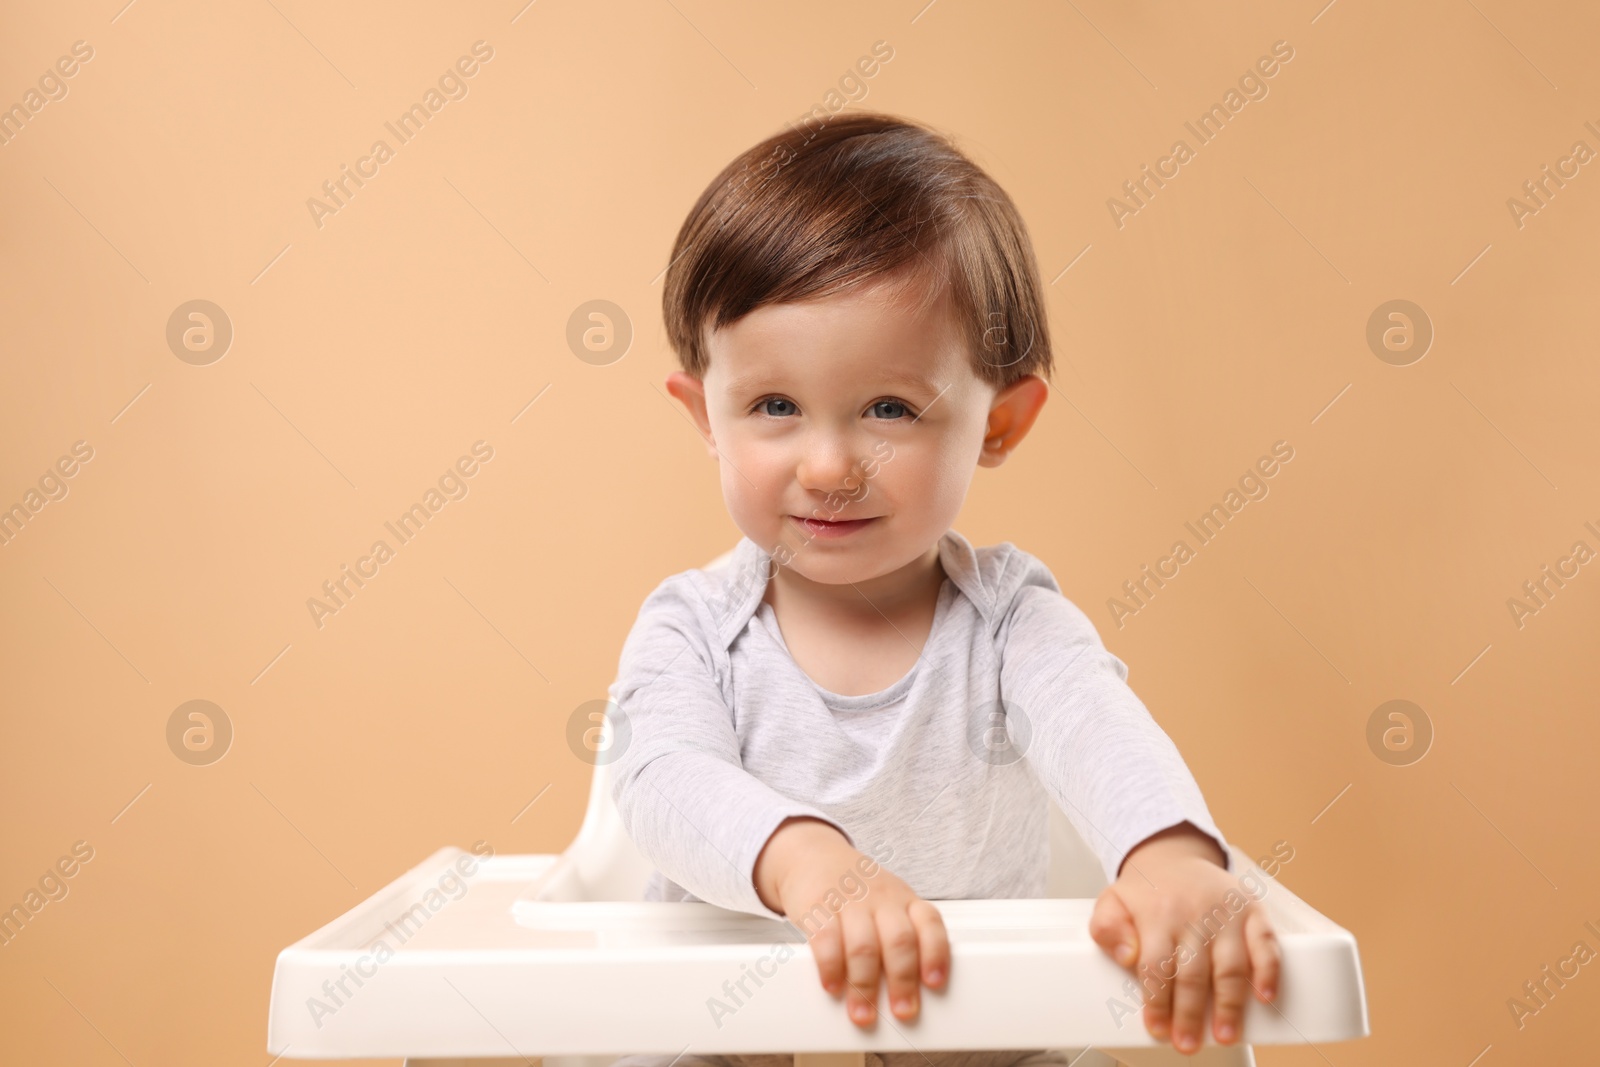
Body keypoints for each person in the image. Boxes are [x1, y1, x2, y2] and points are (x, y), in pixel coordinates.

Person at [605, 112, 1279, 1067]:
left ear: (999, 422)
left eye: (889, 408)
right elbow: (663, 777)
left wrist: (1168, 855)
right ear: (704, 414)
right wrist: (809, 863)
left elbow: (1097, 726)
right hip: (728, 1014)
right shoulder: (693, 628)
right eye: (774, 407)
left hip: (959, 1018)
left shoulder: (1010, 626)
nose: (830, 463)